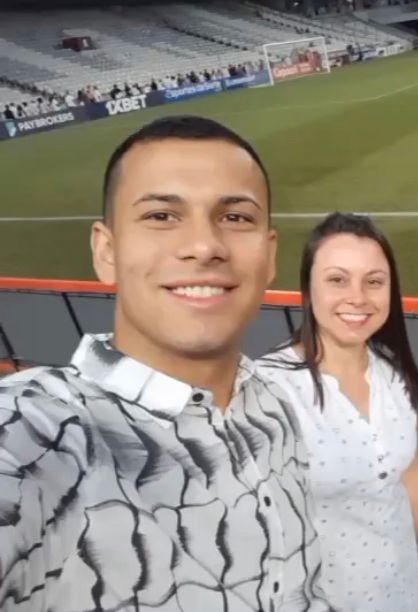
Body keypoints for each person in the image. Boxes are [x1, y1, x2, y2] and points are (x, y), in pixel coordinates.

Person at [0, 115, 332, 612]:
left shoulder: (272, 402)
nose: (203, 246)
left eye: (235, 217)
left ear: (269, 255)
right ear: (106, 250)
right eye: (161, 216)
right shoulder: (38, 435)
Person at [257, 212, 418, 612]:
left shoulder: (389, 372)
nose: (358, 297)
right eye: (337, 279)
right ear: (308, 288)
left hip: (401, 590)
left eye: (374, 281)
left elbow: (408, 469)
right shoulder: (268, 390)